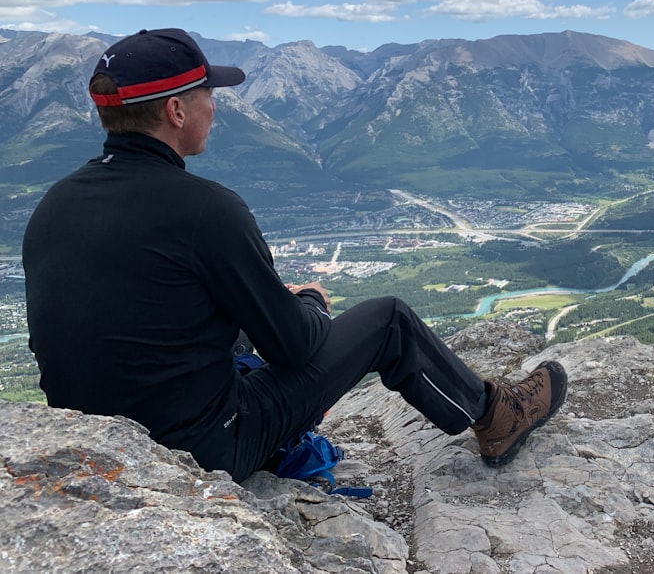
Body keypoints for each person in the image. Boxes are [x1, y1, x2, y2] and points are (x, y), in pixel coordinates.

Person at [23, 28, 566, 481]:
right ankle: (497, 416)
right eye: (208, 94)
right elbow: (292, 347)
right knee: (389, 320)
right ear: (176, 111)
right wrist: (310, 303)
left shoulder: (55, 204)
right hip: (201, 446)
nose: (215, 106)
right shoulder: (206, 209)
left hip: (97, 440)